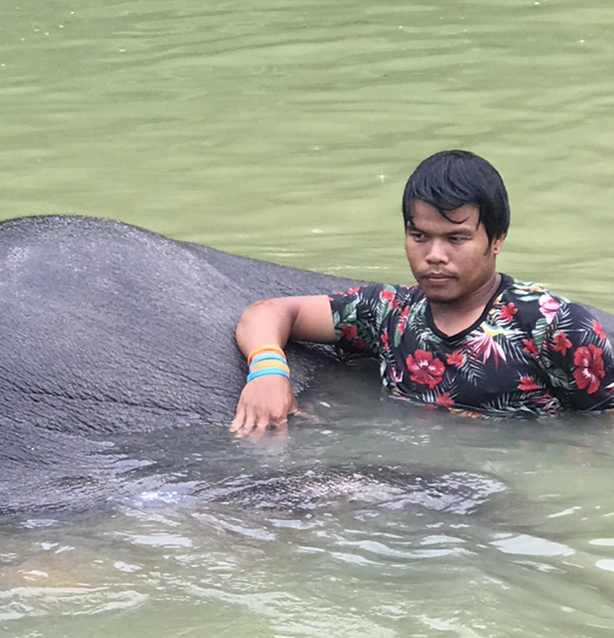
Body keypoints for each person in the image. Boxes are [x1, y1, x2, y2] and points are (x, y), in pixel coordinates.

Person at [230, 150, 614, 435]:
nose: (434, 256)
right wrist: (267, 370)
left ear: (496, 240)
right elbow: (269, 312)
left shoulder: (554, 326)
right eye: (419, 236)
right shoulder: (389, 313)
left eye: (456, 238)